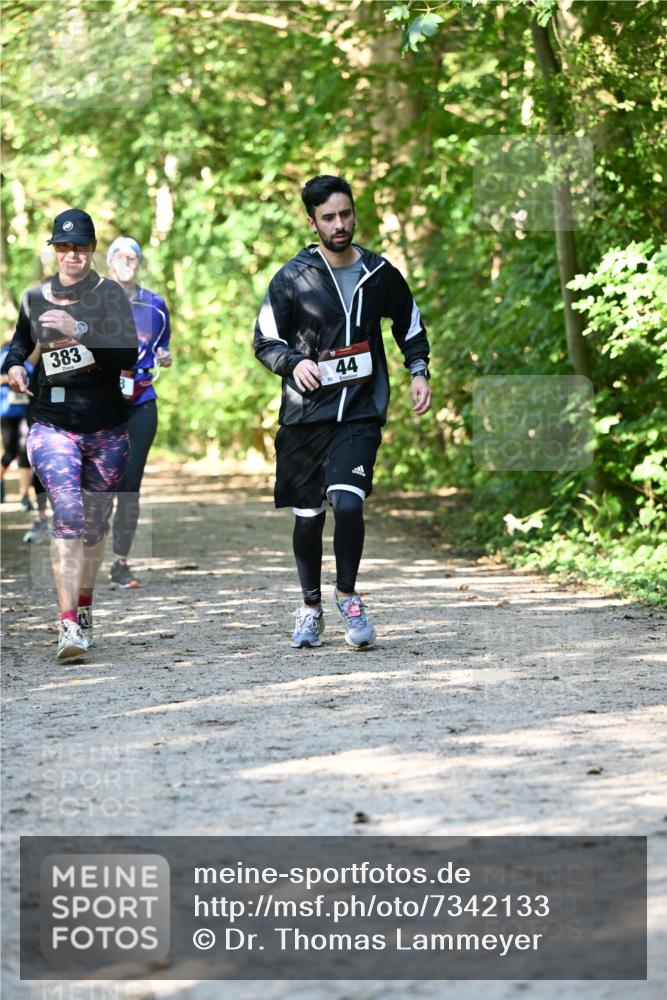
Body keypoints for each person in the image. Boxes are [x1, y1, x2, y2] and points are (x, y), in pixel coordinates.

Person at [253, 175, 431, 650]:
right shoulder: (292, 278)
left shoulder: (378, 272)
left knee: (348, 503)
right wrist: (294, 363)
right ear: (312, 222)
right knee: (309, 516)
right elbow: (264, 340)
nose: (340, 224)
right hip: (305, 416)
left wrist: (418, 371)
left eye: (346, 214)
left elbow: (409, 323)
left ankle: (349, 597)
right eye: (329, 217)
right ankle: (310, 607)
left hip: (359, 412)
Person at [2, 208, 138, 660]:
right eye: (63, 246)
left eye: (80, 246)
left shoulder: (111, 296)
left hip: (105, 427)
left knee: (95, 528)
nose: (71, 254)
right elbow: (20, 346)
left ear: (92, 249)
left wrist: (79, 330)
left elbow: (126, 353)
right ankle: (66, 625)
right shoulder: (35, 297)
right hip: (51, 425)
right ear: (54, 250)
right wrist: (16, 367)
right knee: (69, 514)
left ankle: (83, 607)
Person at [105, 237, 172, 589]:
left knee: (130, 484)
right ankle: (83, 554)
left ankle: (120, 561)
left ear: (140, 263)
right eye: (121, 256)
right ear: (110, 262)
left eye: (134, 257)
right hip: (101, 400)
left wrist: (165, 356)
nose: (128, 261)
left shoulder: (156, 304)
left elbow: (164, 345)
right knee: (102, 482)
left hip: (142, 397)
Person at [1, 338, 34, 508]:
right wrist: (11, 378)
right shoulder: (6, 351)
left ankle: (24, 496)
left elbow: (33, 372)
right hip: (7, 410)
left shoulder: (34, 350)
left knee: (25, 452)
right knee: (9, 454)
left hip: (26, 410)